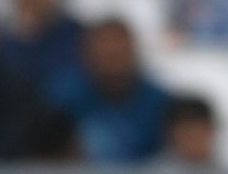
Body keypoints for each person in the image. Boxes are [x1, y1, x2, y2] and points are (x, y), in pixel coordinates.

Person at [47, 18, 170, 163]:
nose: (112, 52)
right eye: (105, 49)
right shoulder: (61, 98)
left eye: (119, 50)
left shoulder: (160, 103)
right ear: (86, 53)